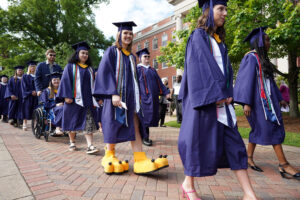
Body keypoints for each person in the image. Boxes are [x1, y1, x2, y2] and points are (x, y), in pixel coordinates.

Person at [178, 1, 257, 199]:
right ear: (208, 11)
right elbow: (200, 67)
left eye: (226, 9)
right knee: (197, 143)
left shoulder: (218, 41)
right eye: (221, 9)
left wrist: (228, 92)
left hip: (223, 104)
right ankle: (188, 185)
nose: (225, 13)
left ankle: (249, 194)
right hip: (207, 103)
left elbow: (226, 73)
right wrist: (217, 93)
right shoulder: (198, 36)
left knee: (236, 146)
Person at [93, 21, 169, 175]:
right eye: (125, 33)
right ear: (119, 35)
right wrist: (113, 93)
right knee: (113, 125)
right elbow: (105, 72)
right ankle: (109, 155)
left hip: (131, 98)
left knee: (135, 125)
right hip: (115, 96)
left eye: (130, 33)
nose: (128, 36)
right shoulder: (112, 51)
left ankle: (140, 159)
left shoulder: (132, 57)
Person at [234, 27, 300, 179]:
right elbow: (245, 81)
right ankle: (283, 164)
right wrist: (246, 103)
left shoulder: (263, 60)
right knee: (273, 128)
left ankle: (249, 158)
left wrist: (280, 98)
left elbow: (270, 82)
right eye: (267, 39)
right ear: (259, 42)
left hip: (268, 101)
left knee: (258, 129)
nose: (269, 42)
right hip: (257, 103)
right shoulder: (250, 58)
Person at [56, 41, 99, 154]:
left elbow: (95, 84)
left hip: (88, 100)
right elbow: (65, 81)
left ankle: (90, 145)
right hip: (73, 99)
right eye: (82, 53)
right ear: (77, 54)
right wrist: (66, 96)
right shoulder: (70, 67)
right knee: (72, 121)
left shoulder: (90, 69)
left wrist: (97, 97)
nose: (85, 55)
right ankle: (72, 142)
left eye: (86, 53)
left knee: (88, 121)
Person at [136, 48, 170, 146]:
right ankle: (144, 137)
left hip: (153, 97)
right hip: (142, 98)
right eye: (144, 56)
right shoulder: (137, 69)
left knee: (150, 117)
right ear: (139, 58)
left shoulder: (152, 70)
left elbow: (159, 82)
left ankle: (144, 136)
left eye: (148, 56)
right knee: (144, 118)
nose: (147, 58)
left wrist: (166, 92)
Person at [40, 72, 64, 136]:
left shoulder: (63, 90)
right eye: (54, 80)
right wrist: (55, 105)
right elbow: (45, 104)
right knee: (61, 109)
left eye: (58, 80)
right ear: (51, 81)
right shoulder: (46, 91)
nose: (56, 81)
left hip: (62, 107)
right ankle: (58, 128)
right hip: (51, 109)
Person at [21, 61, 38, 131]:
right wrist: (31, 92)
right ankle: (24, 123)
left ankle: (35, 124)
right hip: (28, 96)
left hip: (37, 96)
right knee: (26, 109)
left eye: (34, 66)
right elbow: (23, 87)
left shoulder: (37, 76)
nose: (32, 68)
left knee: (36, 110)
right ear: (29, 67)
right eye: (31, 66)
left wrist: (37, 91)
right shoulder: (25, 76)